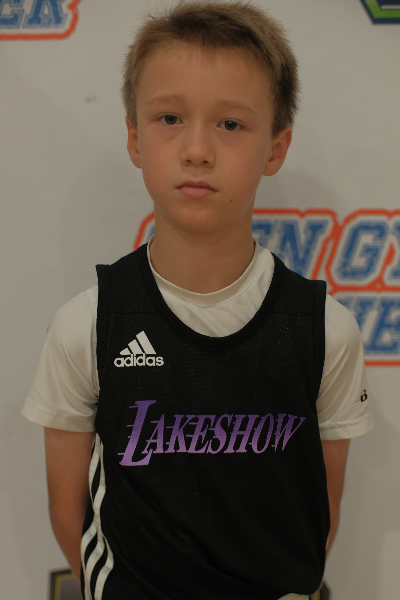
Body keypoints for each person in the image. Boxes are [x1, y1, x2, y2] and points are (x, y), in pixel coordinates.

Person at [22, 1, 374, 599]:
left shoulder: (324, 331)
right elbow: (67, 513)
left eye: (230, 124)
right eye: (169, 118)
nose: (197, 150)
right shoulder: (88, 326)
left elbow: (317, 513)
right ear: (134, 139)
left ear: (275, 148)